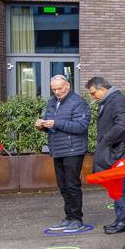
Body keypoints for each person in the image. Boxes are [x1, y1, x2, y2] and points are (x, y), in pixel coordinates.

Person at [36, 74, 90, 233]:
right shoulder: (52, 102)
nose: (57, 92)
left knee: (72, 185)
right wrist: (43, 126)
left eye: (60, 88)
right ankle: (69, 218)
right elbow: (53, 126)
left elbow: (81, 126)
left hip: (74, 150)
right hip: (58, 149)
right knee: (63, 186)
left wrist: (56, 123)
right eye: (54, 89)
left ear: (68, 86)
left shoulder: (78, 102)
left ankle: (77, 219)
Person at [85, 76, 125, 234]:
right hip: (113, 148)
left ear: (102, 89)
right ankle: (121, 219)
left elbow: (122, 126)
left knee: (118, 185)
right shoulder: (108, 100)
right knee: (116, 185)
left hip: (117, 149)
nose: (92, 96)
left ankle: (124, 222)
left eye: (93, 93)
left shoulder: (117, 100)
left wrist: (105, 140)